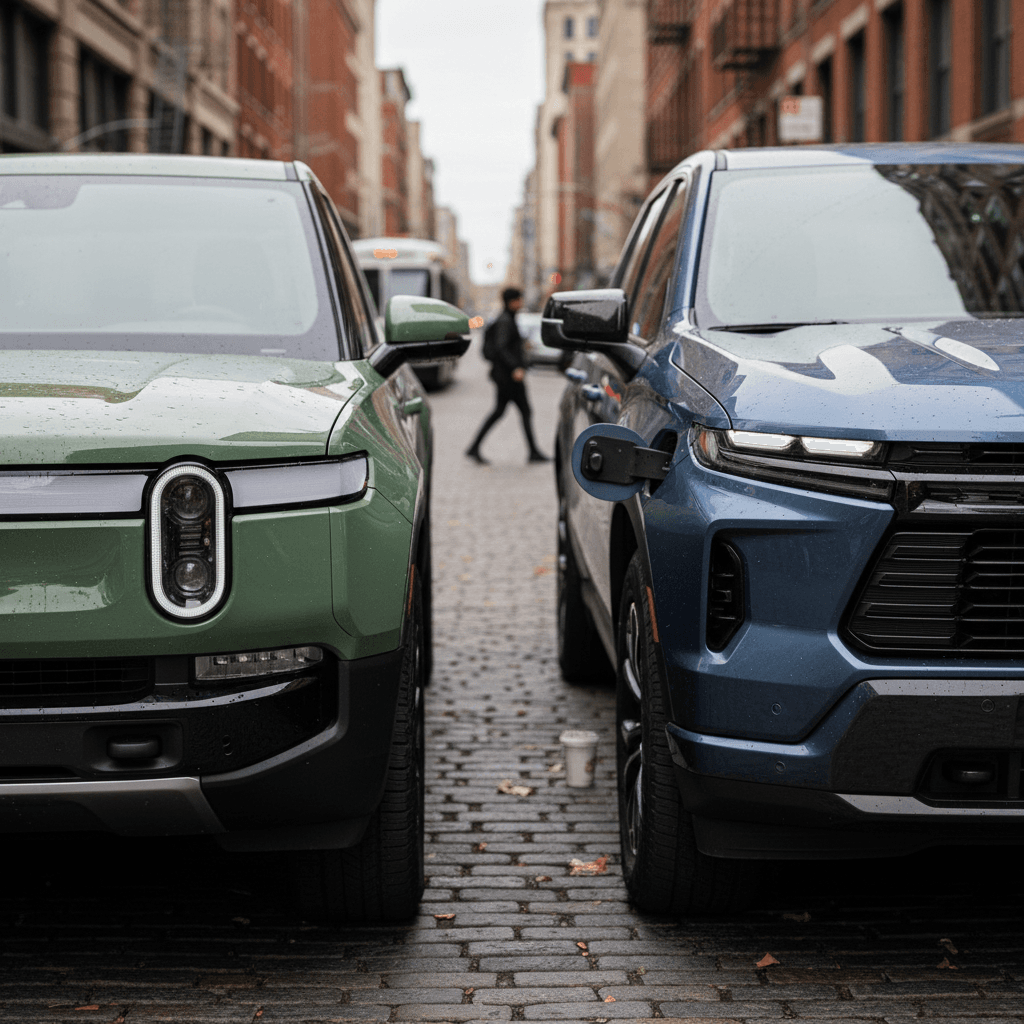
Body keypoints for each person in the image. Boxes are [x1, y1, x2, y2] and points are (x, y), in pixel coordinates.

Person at [466, 287, 550, 465]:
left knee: (505, 411)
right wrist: (515, 368)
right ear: (512, 301)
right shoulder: (505, 320)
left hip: (506, 376)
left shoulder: (507, 318)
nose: (521, 303)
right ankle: (532, 452)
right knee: (519, 411)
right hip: (508, 377)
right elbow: (501, 347)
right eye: (519, 299)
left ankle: (474, 447)